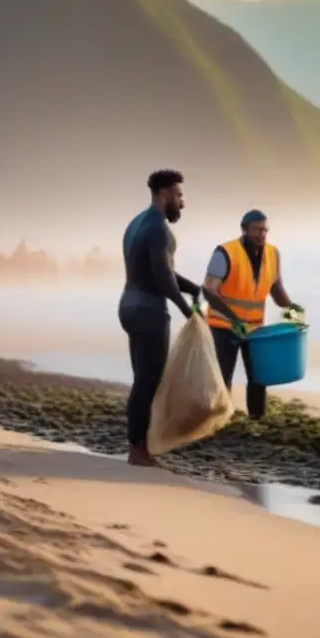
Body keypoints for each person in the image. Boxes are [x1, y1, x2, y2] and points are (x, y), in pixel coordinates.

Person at [118, 170, 202, 467]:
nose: (182, 203)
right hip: (149, 310)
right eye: (179, 196)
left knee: (142, 379)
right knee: (148, 382)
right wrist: (185, 308)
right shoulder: (160, 230)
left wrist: (193, 289)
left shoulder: (137, 223)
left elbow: (158, 268)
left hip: (129, 305)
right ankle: (138, 451)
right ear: (164, 194)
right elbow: (163, 275)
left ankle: (138, 446)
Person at [203, 210, 303, 420]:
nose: (262, 235)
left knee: (259, 377)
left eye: (265, 230)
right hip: (223, 327)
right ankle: (219, 419)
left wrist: (293, 310)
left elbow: (276, 289)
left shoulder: (273, 254)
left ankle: (256, 419)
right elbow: (209, 290)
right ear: (244, 229)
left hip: (255, 329)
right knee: (222, 378)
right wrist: (233, 318)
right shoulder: (225, 252)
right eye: (257, 230)